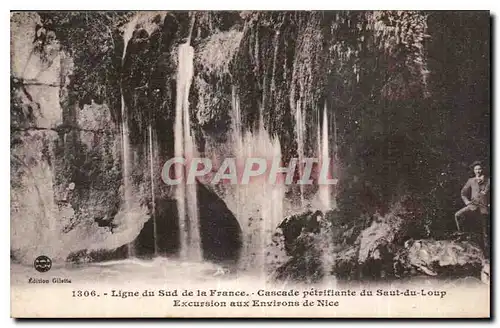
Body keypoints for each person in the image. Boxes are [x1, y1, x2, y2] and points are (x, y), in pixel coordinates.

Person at [454, 161, 490, 234]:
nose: (478, 171)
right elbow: (463, 193)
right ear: (473, 171)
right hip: (473, 205)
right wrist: (467, 202)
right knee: (458, 215)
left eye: (479, 169)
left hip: (484, 208)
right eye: (476, 169)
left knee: (485, 232)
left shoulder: (489, 181)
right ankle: (461, 233)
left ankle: (486, 244)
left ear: (482, 169)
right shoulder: (471, 180)